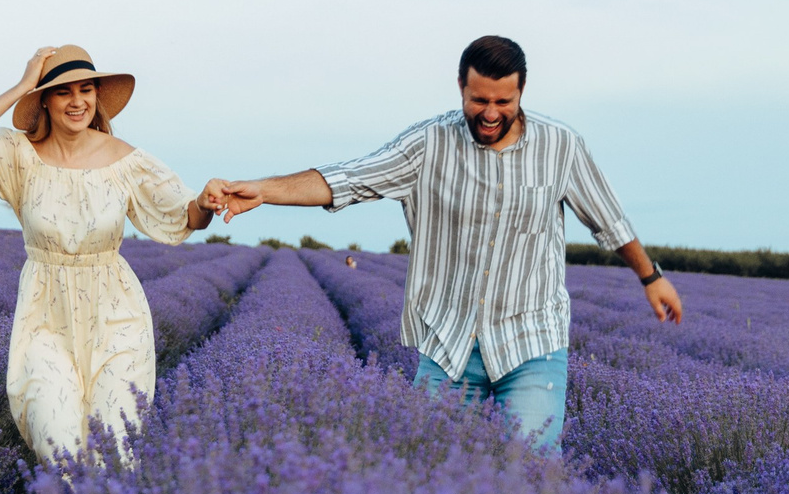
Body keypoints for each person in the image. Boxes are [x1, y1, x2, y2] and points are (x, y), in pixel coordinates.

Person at [202, 34, 680, 453]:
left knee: (530, 478)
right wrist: (263, 190)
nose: (491, 113)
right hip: (449, 342)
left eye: (503, 101)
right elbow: (347, 179)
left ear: (520, 92)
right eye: (479, 101)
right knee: (434, 474)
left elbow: (608, 219)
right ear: (461, 89)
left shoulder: (561, 147)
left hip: (531, 339)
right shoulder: (427, 145)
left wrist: (650, 277)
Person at [0, 44, 211, 462]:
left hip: (116, 314)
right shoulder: (19, 156)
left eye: (86, 90)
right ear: (45, 101)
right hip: (44, 316)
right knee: (59, 447)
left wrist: (206, 203)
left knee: (114, 450)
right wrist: (22, 85)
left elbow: (185, 216)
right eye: (63, 91)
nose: (78, 101)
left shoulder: (126, 160)